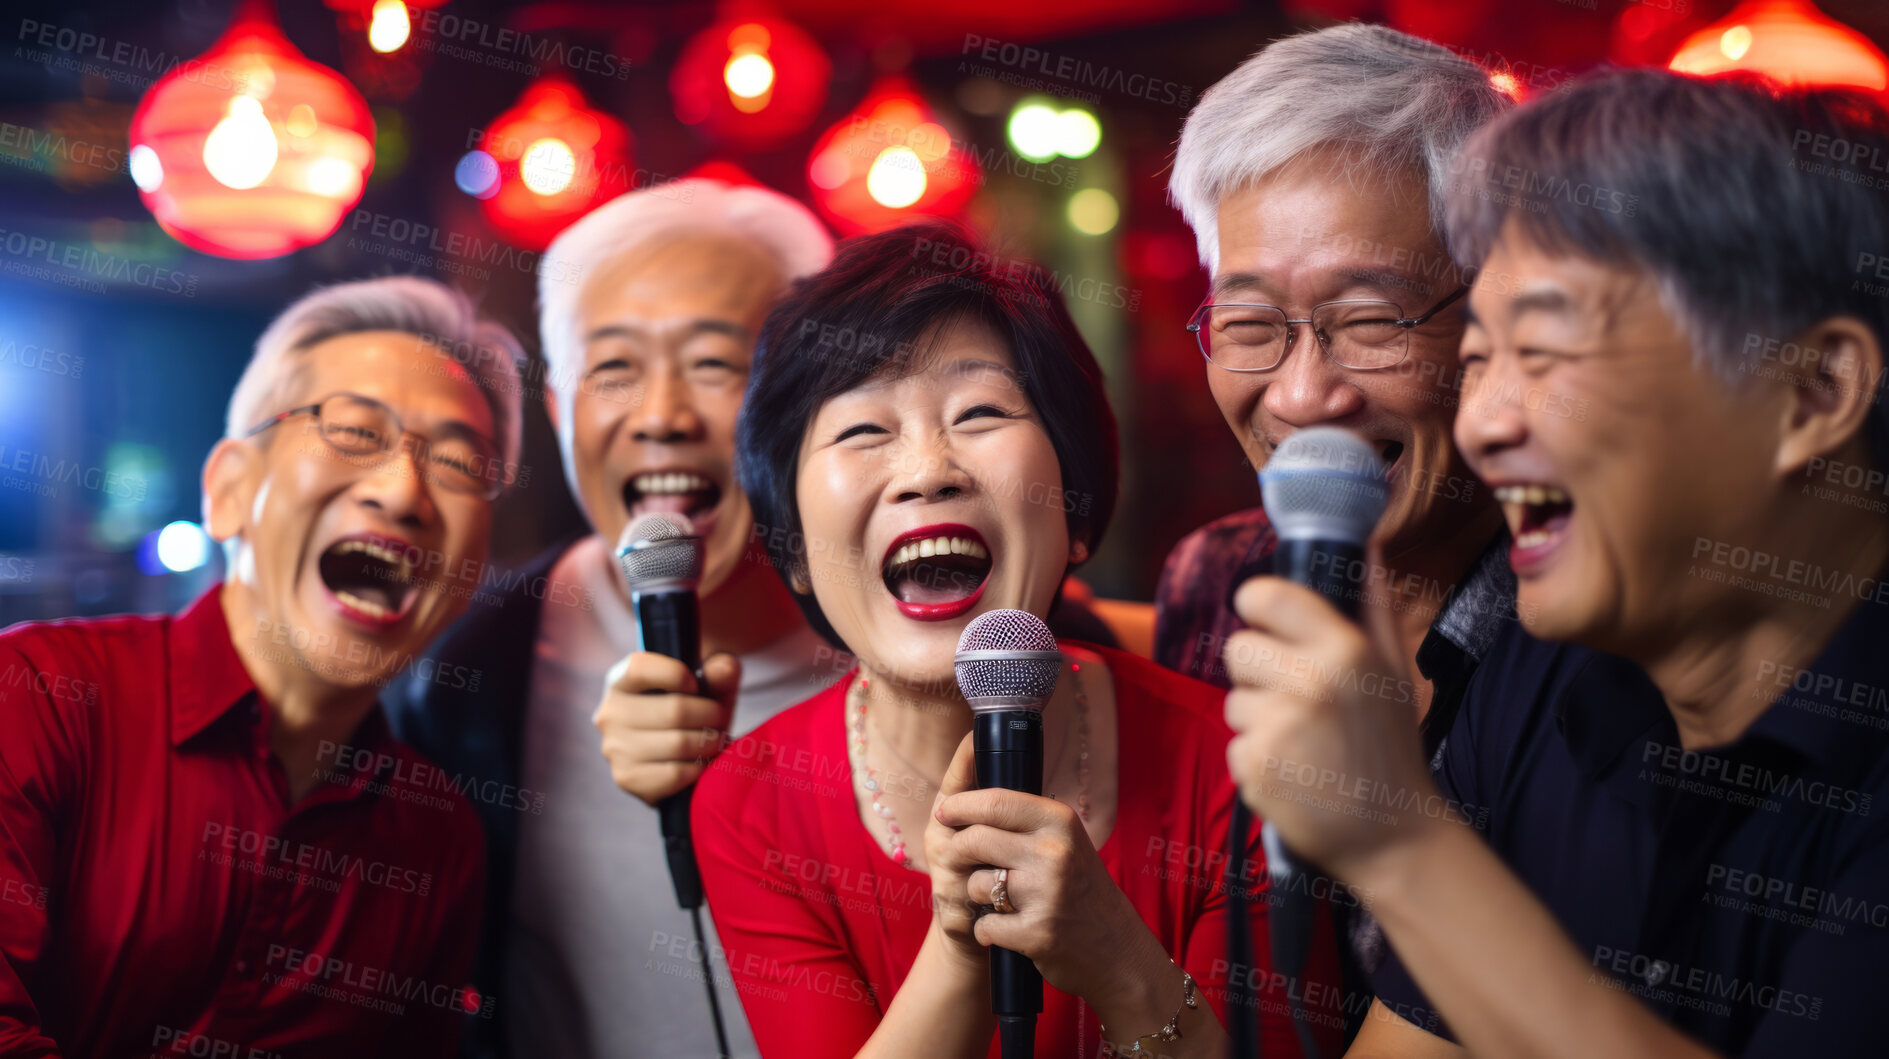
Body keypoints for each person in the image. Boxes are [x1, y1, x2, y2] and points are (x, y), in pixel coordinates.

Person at [1223, 69, 1889, 1057]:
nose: (1483, 423)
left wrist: (1398, 842)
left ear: (1809, 393)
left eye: (1542, 349)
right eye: (1480, 357)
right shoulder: (1541, 680)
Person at [603, 220, 1341, 1058]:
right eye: (861, 430)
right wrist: (963, 942)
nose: (928, 469)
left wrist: (1116, 959)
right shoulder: (752, 805)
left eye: (981, 411)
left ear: (1078, 516)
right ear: (796, 552)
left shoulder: (1238, 760)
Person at [0, 276, 525, 1057]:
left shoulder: (438, 837)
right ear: (228, 490)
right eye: (354, 431)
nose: (406, 490)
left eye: (458, 463)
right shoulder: (40, 700)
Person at [382, 179, 842, 1059]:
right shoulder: (464, 668)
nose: (661, 416)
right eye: (614, 368)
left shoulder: (929, 643)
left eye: (714, 364)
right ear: (558, 411)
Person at [1161, 24, 1514, 1039]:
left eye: (1369, 319)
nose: (1304, 393)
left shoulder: (1584, 634)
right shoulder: (1213, 578)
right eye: (1248, 325)